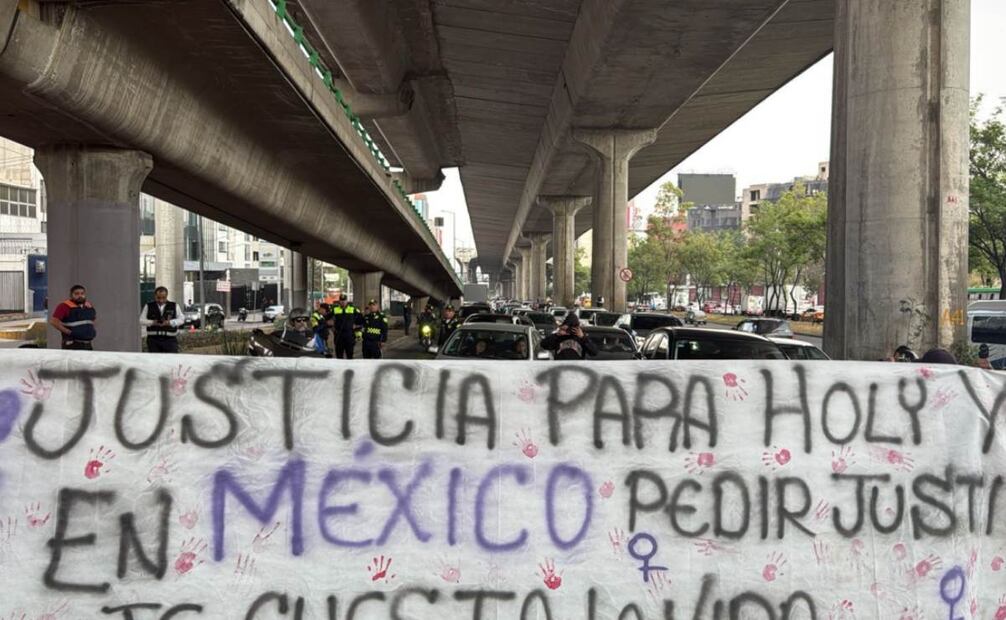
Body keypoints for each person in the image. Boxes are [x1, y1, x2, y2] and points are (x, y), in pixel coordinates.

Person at [50, 284, 97, 350]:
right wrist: (68, 332)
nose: (80, 296)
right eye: (76, 294)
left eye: (82, 293)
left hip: (87, 343)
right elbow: (54, 322)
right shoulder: (64, 306)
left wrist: (91, 331)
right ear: (71, 295)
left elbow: (93, 320)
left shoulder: (88, 307)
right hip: (72, 344)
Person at [140, 286, 184, 353]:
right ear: (155, 296)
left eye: (164, 298)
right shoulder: (148, 306)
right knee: (155, 361)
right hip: (153, 340)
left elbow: (182, 319)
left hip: (170, 340)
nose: (161, 300)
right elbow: (141, 320)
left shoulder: (174, 306)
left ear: (167, 296)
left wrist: (170, 322)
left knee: (171, 361)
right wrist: (152, 322)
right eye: (158, 298)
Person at [331, 294, 362, 359]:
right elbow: (326, 318)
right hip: (339, 335)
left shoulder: (353, 309)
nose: (343, 302)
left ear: (347, 301)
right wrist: (331, 325)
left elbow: (361, 318)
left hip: (349, 335)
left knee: (350, 355)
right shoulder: (335, 309)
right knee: (339, 355)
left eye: (344, 300)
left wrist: (357, 326)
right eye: (341, 300)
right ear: (339, 301)